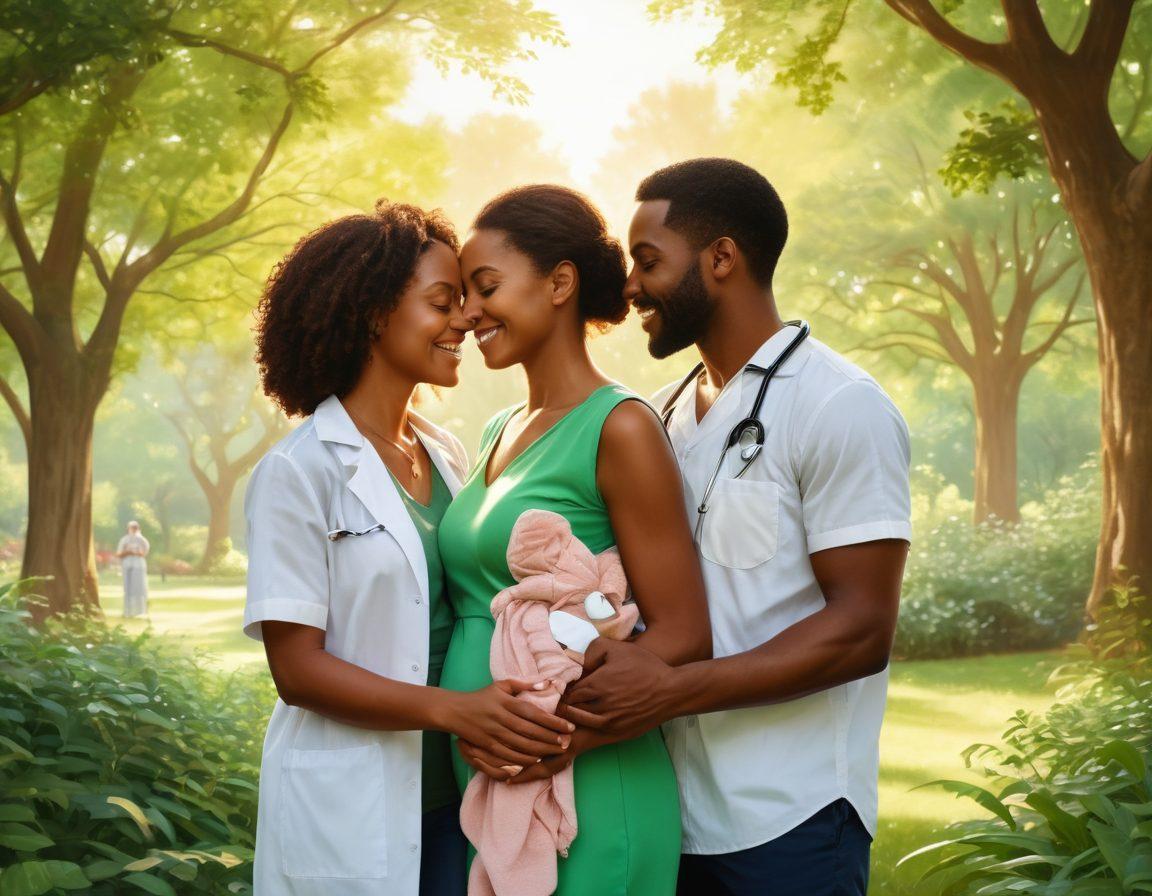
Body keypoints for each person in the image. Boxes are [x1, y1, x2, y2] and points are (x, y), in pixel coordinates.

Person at [563, 158, 912, 896]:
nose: (630, 287)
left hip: (793, 822)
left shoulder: (837, 404)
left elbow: (861, 629)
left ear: (722, 258)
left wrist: (669, 690)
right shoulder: (655, 417)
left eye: (648, 261)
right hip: (669, 815)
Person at [242, 200, 573, 896]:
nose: (466, 320)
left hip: (461, 799)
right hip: (353, 811)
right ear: (372, 313)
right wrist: (456, 709)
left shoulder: (450, 454)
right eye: (442, 302)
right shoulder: (301, 470)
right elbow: (297, 670)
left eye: (465, 301)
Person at [439, 184, 712, 895]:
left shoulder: (619, 426)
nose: (468, 314)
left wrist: (552, 735)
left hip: (588, 784)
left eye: (485, 287)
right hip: (500, 789)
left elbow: (682, 632)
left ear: (559, 282)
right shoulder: (500, 430)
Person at [116, 521, 150, 618]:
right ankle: (128, 611)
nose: (134, 530)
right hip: (127, 565)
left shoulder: (143, 540)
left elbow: (144, 553)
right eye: (132, 528)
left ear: (138, 528)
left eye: (135, 528)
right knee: (128, 588)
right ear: (128, 529)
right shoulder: (124, 540)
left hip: (139, 566)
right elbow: (118, 554)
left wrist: (137, 552)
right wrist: (127, 551)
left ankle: (141, 611)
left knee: (140, 588)